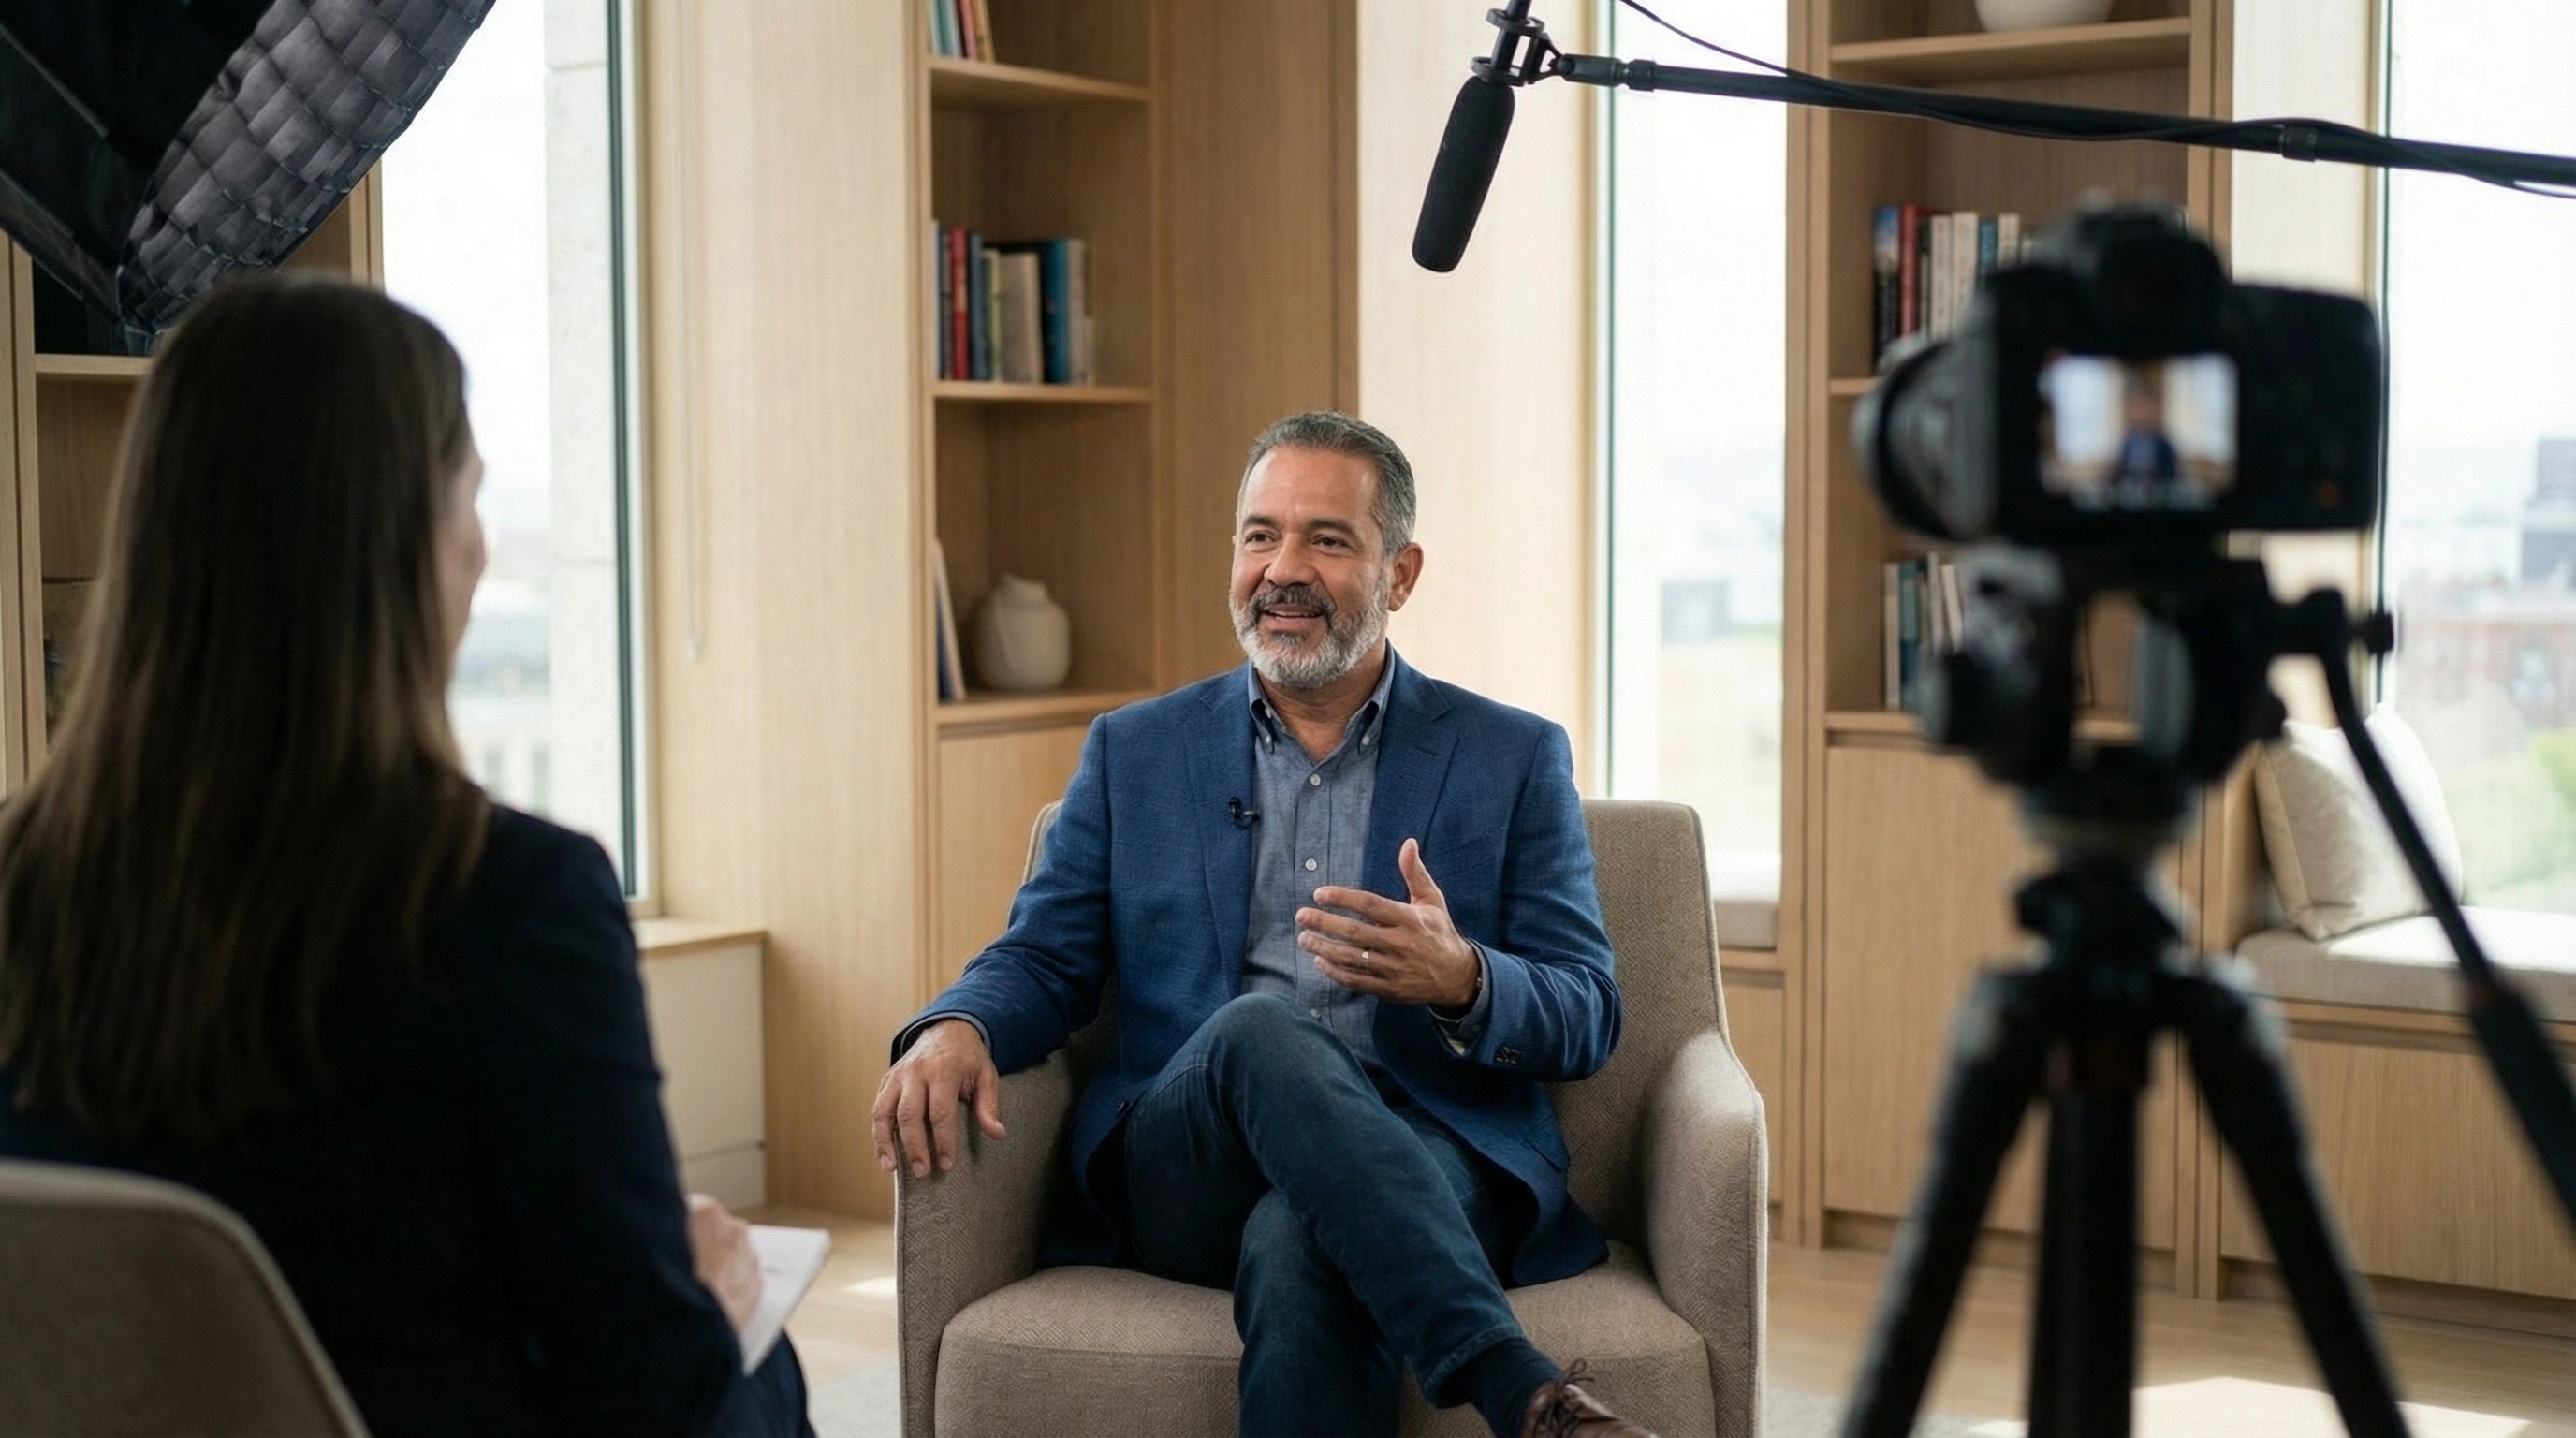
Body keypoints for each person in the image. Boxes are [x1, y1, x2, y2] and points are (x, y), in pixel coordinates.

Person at [0, 274, 809, 1438]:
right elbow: (655, 1407)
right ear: (399, 544)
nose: (481, 549)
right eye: (466, 497)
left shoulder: (26, 894)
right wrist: (716, 1308)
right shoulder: (511, 903)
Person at [876, 411, 1653, 1438]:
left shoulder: (1511, 757)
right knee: (1257, 1029)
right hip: (1188, 1159)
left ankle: (1530, 1398)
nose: (1281, 568)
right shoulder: (1135, 751)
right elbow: (1043, 955)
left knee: (1302, 1241)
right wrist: (958, 1024)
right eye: (1258, 535)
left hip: (1430, 1154)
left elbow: (1588, 1011)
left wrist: (1465, 978)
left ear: (1400, 573)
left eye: (1326, 540)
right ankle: (1517, 1385)